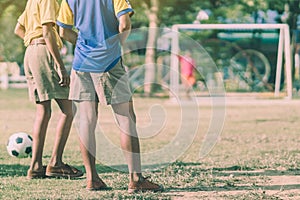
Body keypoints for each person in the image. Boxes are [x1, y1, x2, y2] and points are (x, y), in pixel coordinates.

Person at [56, 0, 163, 193]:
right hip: (109, 61)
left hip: (81, 63)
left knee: (86, 121)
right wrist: (113, 47)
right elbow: (124, 24)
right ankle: (136, 179)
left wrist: (83, 43)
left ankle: (92, 178)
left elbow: (63, 31)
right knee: (125, 118)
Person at [14, 0, 83, 179]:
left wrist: (32, 43)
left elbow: (19, 29)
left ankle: (36, 166)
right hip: (43, 52)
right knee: (69, 109)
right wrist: (60, 65)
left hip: (30, 53)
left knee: (43, 111)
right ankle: (55, 163)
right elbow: (47, 31)